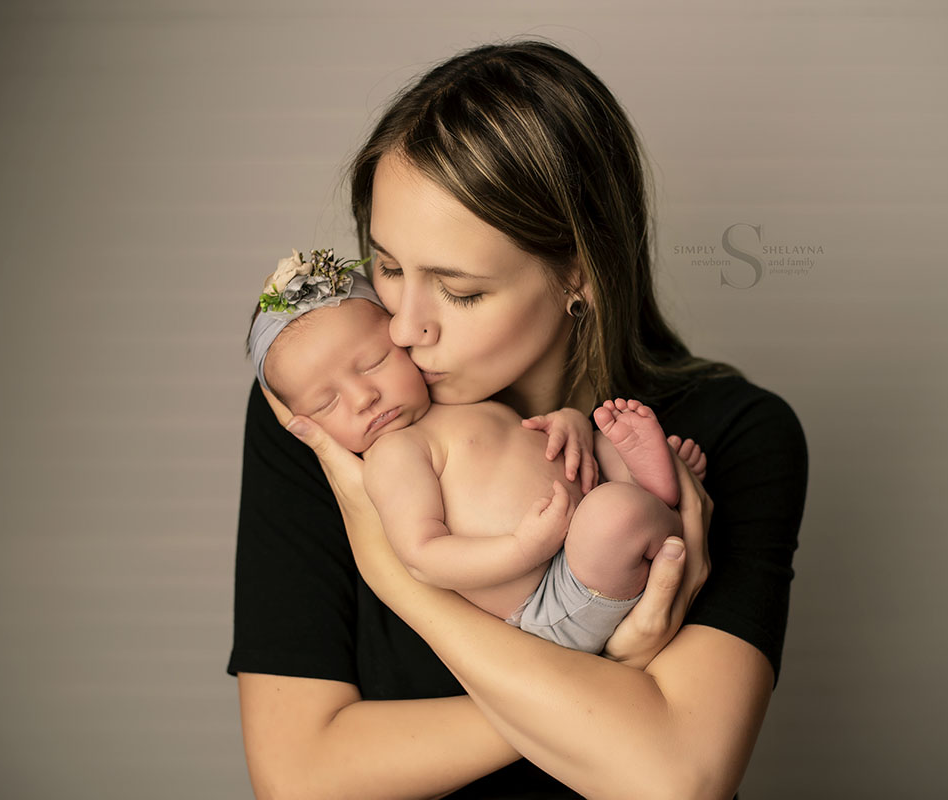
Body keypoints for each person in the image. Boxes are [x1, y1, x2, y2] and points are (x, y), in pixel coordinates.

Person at [229, 41, 808, 799]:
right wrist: (609, 678)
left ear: (579, 274)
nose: (403, 328)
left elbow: (675, 779)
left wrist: (401, 581)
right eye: (389, 268)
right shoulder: (336, 411)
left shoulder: (737, 435)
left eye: (459, 291)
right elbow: (300, 777)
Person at [248, 258, 707, 654]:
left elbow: (524, 440)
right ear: (306, 426)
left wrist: (568, 423)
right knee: (614, 515)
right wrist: (523, 548)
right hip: (551, 596)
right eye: (327, 403)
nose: (364, 397)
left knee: (602, 438)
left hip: (579, 531)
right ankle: (662, 498)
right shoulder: (393, 456)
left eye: (373, 363)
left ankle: (655, 487)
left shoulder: (457, 394)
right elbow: (423, 556)